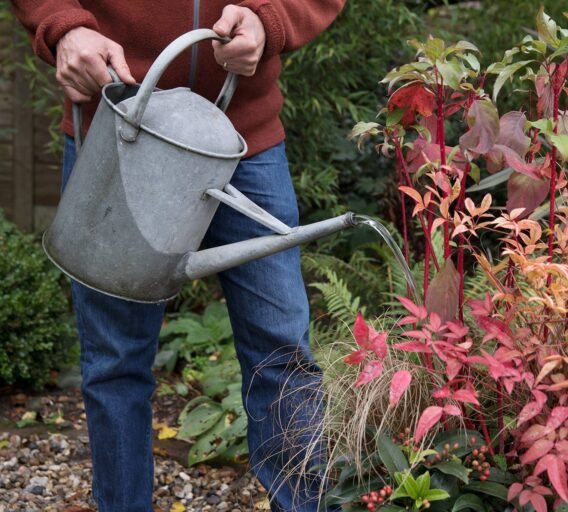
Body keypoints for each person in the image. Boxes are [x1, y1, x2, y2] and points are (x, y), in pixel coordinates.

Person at [10, 1, 346, 511]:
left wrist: (270, 18)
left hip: (243, 141)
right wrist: (64, 26)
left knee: (281, 351)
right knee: (115, 362)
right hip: (120, 132)